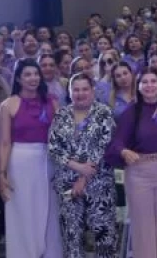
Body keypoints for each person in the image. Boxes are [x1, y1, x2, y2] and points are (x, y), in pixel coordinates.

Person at [107, 68, 157, 258]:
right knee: (143, 224)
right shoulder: (131, 112)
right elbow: (117, 142)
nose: (149, 86)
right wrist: (124, 151)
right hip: (139, 172)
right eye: (145, 82)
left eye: (153, 81)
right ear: (138, 87)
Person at [0, 58, 64, 258]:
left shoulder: (52, 101)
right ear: (18, 78)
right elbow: (4, 142)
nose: (33, 78)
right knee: (22, 211)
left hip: (48, 159)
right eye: (27, 74)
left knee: (50, 210)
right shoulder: (9, 104)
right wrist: (2, 173)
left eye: (36, 74)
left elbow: (62, 136)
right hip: (20, 161)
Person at [48, 73, 118, 258]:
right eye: (76, 89)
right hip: (67, 186)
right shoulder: (61, 114)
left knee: (104, 236)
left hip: (99, 183)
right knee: (71, 237)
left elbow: (104, 146)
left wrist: (83, 177)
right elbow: (54, 147)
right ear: (69, 92)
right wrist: (77, 168)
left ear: (93, 91)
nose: (80, 93)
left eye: (85, 89)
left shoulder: (104, 113)